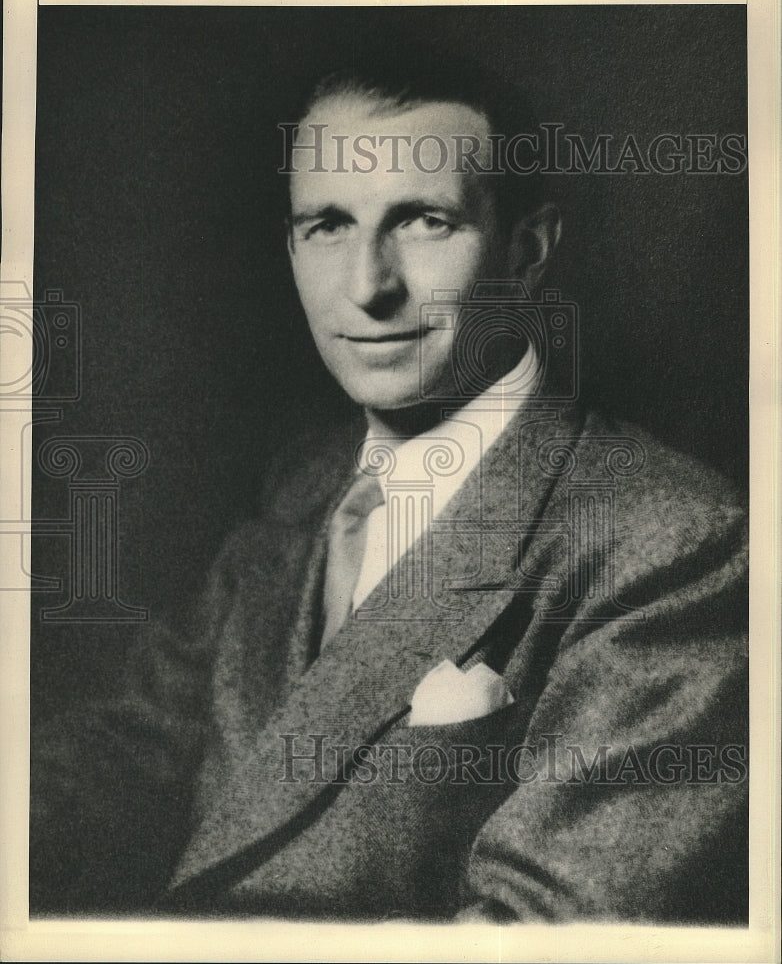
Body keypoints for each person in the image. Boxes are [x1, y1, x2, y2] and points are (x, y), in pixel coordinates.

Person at [30, 50, 748, 924]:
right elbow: (133, 749)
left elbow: (546, 936)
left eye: (423, 221)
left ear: (528, 250)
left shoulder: (673, 539)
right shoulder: (307, 482)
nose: (367, 288)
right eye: (327, 225)